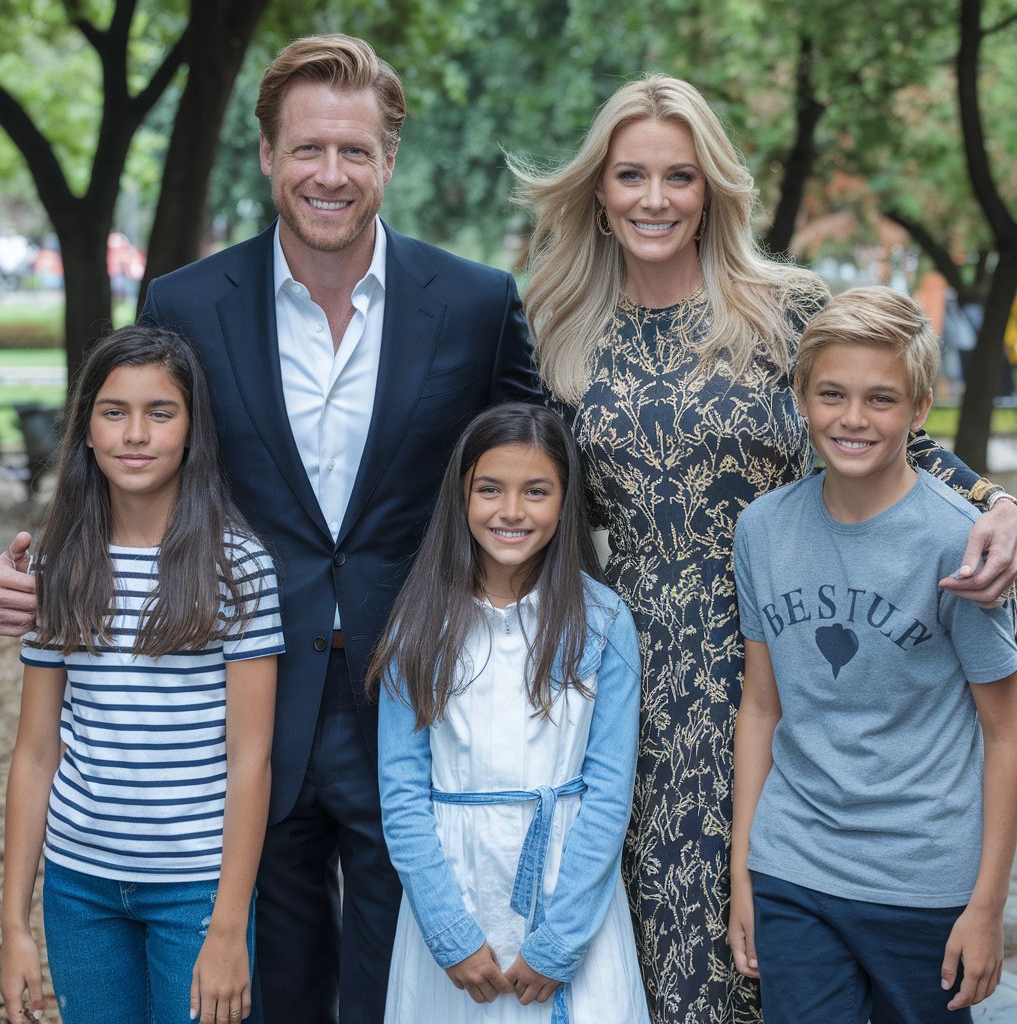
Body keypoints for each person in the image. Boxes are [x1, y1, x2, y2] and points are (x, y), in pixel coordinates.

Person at [0, 33, 540, 1024]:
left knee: (396, 980)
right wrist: (37, 565)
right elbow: (129, 449)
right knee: (266, 980)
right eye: (307, 149)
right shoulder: (186, 303)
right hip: (236, 701)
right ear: (266, 155)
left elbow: (545, 469)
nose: (330, 174)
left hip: (414, 688)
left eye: (354, 151)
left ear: (389, 158)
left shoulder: (475, 304)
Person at [509, 74, 1017, 1023]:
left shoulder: (782, 308)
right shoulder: (555, 324)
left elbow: (893, 435)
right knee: (671, 932)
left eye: (679, 177)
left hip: (796, 654)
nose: (654, 199)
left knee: (795, 942)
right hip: (638, 665)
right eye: (631, 176)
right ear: (599, 190)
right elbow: (526, 495)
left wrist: (1001, 506)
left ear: (712, 191)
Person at [729, 287, 1017, 1022]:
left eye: (881, 400)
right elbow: (761, 707)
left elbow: (1004, 732)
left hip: (922, 882)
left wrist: (986, 908)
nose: (852, 419)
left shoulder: (958, 542)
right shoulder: (764, 529)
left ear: (919, 410)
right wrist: (744, 876)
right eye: (831, 394)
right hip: (795, 869)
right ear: (801, 397)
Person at [0, 325, 283, 1024]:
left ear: (192, 431)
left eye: (161, 412)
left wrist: (225, 929)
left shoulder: (237, 566)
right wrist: (14, 926)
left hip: (194, 889)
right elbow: (35, 754)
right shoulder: (59, 563)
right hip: (79, 888)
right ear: (87, 430)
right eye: (113, 411)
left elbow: (251, 761)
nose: (135, 433)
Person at [369, 403, 649, 1023]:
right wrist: (450, 933)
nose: (512, 511)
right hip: (455, 893)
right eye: (490, 489)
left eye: (536, 491)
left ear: (565, 499)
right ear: (461, 496)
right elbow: (403, 794)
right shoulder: (418, 625)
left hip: (569, 895)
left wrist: (560, 941)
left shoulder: (601, 623)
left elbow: (608, 793)